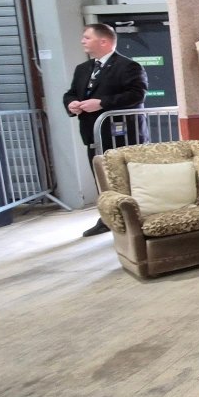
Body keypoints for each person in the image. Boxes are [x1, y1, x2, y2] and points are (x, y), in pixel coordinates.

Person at [63, 23, 148, 237]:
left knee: (126, 179)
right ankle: (108, 218)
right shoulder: (83, 69)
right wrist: (72, 103)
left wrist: (102, 103)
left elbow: (136, 95)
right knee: (101, 178)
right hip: (93, 135)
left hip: (122, 136)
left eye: (87, 37)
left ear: (104, 41)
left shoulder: (129, 66)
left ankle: (135, 218)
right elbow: (71, 93)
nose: (82, 41)